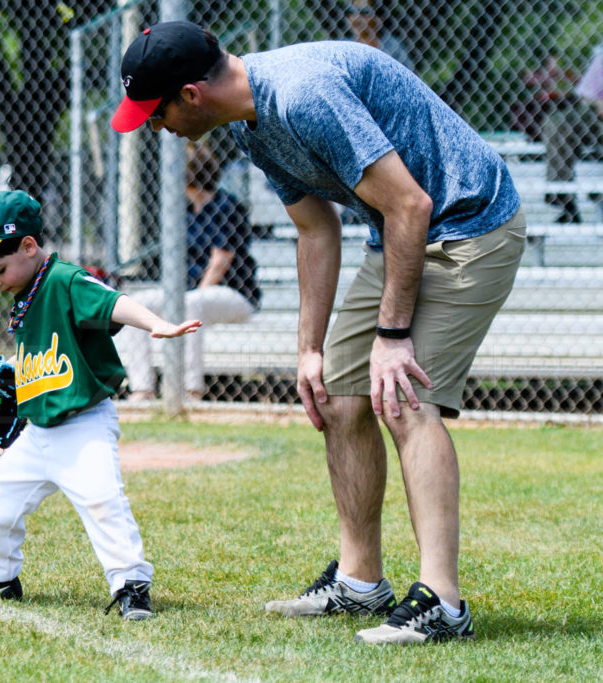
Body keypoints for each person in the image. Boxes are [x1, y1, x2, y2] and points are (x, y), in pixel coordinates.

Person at [111, 21, 524, 644]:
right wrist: (310, 351)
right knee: (336, 392)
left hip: (469, 226)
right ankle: (361, 583)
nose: (155, 127)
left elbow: (411, 205)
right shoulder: (253, 127)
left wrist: (391, 335)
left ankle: (443, 601)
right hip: (398, 233)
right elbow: (316, 230)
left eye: (155, 112)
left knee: (402, 395)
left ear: (191, 95)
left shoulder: (302, 97)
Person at [0, 190, 201, 620]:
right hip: (37, 430)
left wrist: (157, 325)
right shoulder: (25, 289)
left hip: (84, 425)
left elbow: (113, 300)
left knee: (101, 500)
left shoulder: (64, 280)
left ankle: (131, 585)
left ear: (28, 246)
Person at [115, 144, 259, 400]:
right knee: (134, 305)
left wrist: (182, 302)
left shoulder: (227, 206)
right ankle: (142, 388)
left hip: (234, 294)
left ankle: (190, 390)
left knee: (190, 304)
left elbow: (220, 262)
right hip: (190, 294)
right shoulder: (183, 210)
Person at [539, 43, 603, 223]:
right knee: (557, 123)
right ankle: (564, 199)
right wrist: (598, 102)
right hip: (597, 118)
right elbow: (587, 95)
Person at [345, 0, 415, 72]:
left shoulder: (393, 47)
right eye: (351, 11)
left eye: (364, 12)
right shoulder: (344, 46)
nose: (356, 18)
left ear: (378, 18)